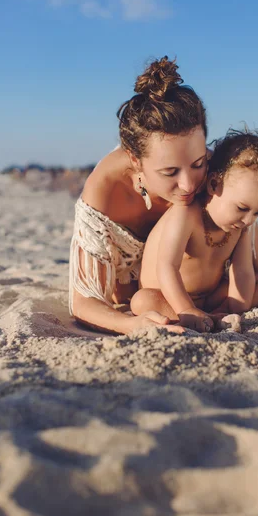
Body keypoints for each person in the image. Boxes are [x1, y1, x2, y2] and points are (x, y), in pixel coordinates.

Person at [69, 56, 209, 335]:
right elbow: (83, 301)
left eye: (198, 163)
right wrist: (131, 324)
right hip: (136, 297)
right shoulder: (105, 192)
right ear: (135, 160)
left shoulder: (214, 171)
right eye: (170, 172)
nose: (188, 184)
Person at [131, 129, 258, 338]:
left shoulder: (244, 225)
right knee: (142, 301)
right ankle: (205, 318)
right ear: (214, 184)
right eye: (242, 208)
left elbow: (243, 273)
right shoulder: (186, 214)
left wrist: (243, 309)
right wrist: (186, 309)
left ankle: (216, 317)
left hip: (212, 297)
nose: (248, 220)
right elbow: (167, 267)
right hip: (168, 297)